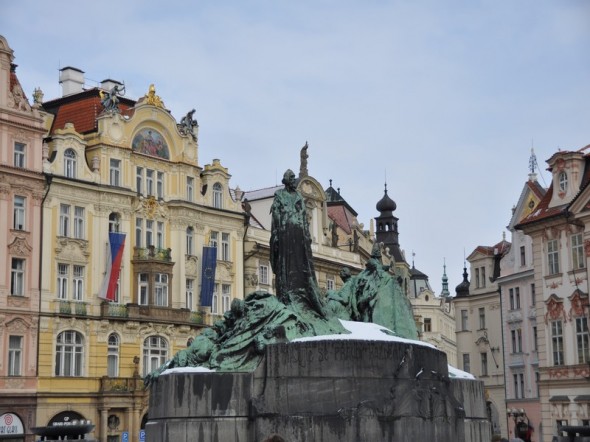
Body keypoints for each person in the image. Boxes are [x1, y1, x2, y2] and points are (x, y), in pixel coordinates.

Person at [270, 169, 324, 318]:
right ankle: (287, 291)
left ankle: (300, 292)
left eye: (294, 178)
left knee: (300, 264)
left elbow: (303, 215)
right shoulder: (279, 195)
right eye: (292, 178)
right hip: (285, 232)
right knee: (286, 264)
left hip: (298, 234)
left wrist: (306, 233)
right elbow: (275, 213)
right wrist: (277, 231)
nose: (294, 181)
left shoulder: (299, 196)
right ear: (286, 180)